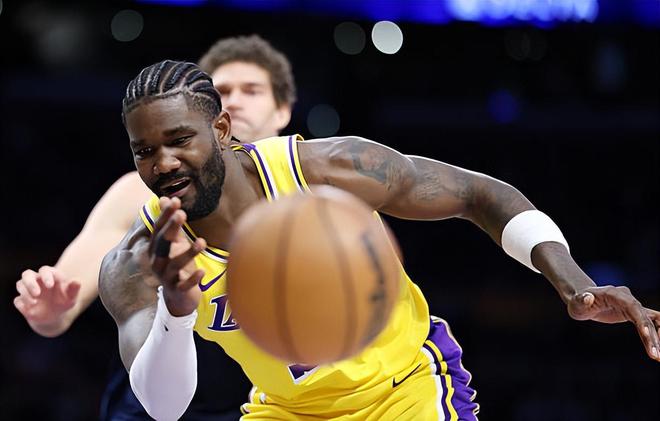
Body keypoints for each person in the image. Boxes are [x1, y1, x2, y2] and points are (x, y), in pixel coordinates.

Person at [99, 59, 660, 421]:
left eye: (180, 140)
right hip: (287, 411)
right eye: (144, 151)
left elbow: (478, 194)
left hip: (403, 393)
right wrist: (177, 311)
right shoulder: (137, 262)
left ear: (221, 129)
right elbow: (164, 408)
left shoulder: (323, 169)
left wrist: (574, 285)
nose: (163, 163)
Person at [13, 35, 295, 420]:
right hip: (150, 408)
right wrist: (49, 311)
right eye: (223, 90)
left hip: (269, 406)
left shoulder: (309, 192)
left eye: (251, 90)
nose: (235, 100)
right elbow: (61, 306)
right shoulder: (137, 194)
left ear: (282, 111)